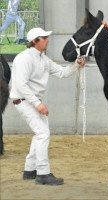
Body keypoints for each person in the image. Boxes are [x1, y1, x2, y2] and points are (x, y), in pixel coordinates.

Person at [9, 27, 86, 185]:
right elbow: (21, 85)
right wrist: (38, 104)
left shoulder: (44, 59)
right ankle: (43, 174)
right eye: (44, 38)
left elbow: (62, 72)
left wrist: (77, 65)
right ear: (35, 42)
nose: (47, 39)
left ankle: (29, 170)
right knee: (43, 133)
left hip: (30, 101)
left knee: (40, 133)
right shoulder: (23, 58)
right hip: (23, 101)